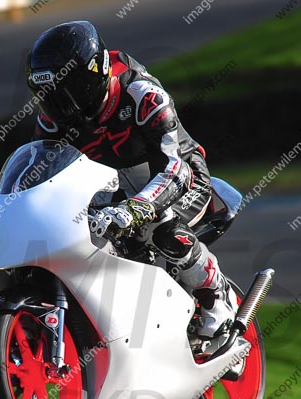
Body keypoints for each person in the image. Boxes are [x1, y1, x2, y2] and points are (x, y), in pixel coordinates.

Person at [26, 20, 237, 339]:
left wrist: (135, 209)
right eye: (49, 96)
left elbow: (175, 167)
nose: (60, 107)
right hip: (113, 187)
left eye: (67, 93)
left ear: (93, 76)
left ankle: (217, 296)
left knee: (161, 227)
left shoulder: (141, 93)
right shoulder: (52, 120)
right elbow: (39, 179)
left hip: (181, 177)